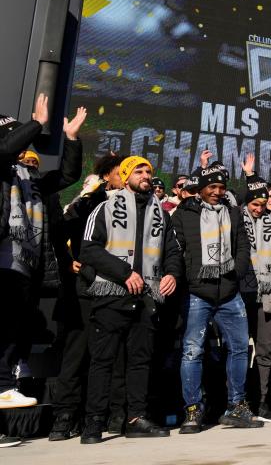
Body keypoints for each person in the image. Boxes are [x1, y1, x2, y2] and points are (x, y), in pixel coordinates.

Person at [78, 156, 183, 444]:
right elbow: (87, 249)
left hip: (147, 296)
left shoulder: (161, 213)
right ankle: (94, 424)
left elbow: (172, 250)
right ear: (125, 177)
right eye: (139, 170)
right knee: (103, 362)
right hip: (111, 295)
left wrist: (172, 273)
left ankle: (136, 418)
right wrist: (124, 273)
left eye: (148, 170)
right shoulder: (105, 206)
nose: (146, 174)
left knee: (140, 361)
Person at [0, 96, 84, 419]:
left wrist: (72, 139)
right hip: (4, 261)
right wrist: (36, 124)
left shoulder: (30, 178)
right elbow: (6, 147)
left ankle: (5, 392)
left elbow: (67, 176)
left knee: (16, 332)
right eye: (17, 137)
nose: (24, 149)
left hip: (27, 267)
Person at [171, 162, 261, 432]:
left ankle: (236, 406)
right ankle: (193, 410)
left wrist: (237, 271)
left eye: (222, 187)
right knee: (192, 352)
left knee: (239, 349)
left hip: (230, 293)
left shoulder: (233, 213)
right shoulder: (183, 213)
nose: (218, 191)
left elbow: (244, 246)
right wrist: (191, 278)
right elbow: (177, 250)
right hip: (197, 294)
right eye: (212, 186)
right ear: (201, 188)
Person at [48, 152, 128, 441]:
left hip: (118, 291)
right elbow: (59, 230)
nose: (125, 178)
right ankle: (65, 415)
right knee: (76, 353)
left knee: (114, 356)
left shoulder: (136, 206)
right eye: (120, 172)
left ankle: (112, 414)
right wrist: (67, 259)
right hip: (85, 289)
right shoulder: (88, 202)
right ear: (107, 175)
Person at [238, 154, 271, 420]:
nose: (259, 208)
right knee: (239, 350)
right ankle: (239, 401)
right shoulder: (236, 216)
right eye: (255, 204)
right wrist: (249, 175)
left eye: (263, 204)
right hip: (241, 293)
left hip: (268, 293)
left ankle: (263, 402)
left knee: (266, 350)